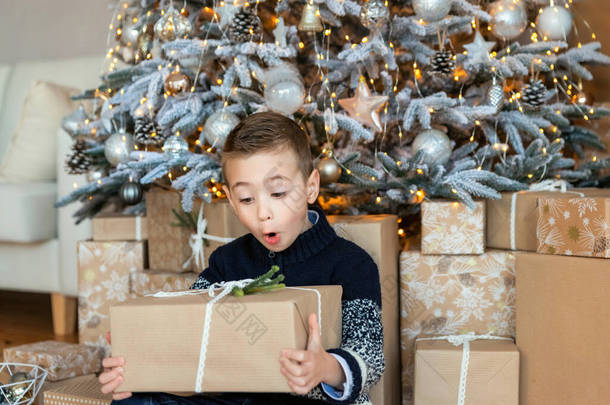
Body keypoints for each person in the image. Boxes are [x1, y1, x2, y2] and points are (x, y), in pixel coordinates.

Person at [100, 112, 385, 405]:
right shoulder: (226, 262)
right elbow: (190, 332)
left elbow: (370, 357)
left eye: (278, 192)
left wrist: (326, 368)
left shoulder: (352, 264)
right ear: (232, 201)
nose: (263, 213)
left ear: (311, 186)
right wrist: (136, 366)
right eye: (247, 199)